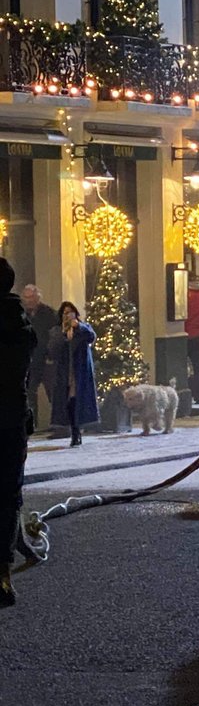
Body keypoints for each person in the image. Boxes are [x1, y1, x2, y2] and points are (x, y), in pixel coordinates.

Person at [0, 259, 45, 607]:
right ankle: (3, 569)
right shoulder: (21, 323)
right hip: (12, 419)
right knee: (8, 492)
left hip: (8, 418)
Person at [49, 302, 99, 446]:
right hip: (64, 372)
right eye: (65, 313)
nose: (68, 315)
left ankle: (76, 432)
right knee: (67, 402)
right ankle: (72, 429)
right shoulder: (56, 331)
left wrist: (78, 326)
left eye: (70, 312)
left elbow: (91, 337)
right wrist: (63, 335)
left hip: (80, 371)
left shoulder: (84, 328)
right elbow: (52, 351)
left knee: (76, 399)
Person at [21, 284, 57, 427]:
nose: (28, 301)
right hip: (29, 360)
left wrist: (51, 353)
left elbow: (55, 335)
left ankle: (59, 425)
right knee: (28, 392)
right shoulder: (21, 314)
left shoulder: (49, 313)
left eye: (31, 297)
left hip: (47, 359)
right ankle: (30, 424)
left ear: (37, 297)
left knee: (53, 392)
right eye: (26, 298)